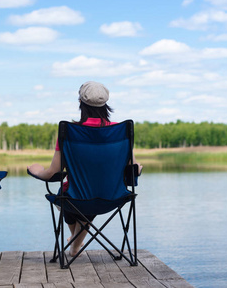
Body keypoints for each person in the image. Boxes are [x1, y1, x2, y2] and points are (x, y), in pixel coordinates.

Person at [27, 81, 142, 257]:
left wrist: (35, 170)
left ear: (81, 103)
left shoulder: (71, 132)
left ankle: (74, 243)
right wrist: (138, 169)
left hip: (77, 198)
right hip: (114, 197)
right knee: (83, 198)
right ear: (106, 105)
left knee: (66, 196)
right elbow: (134, 168)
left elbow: (53, 172)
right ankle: (75, 243)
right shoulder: (120, 131)